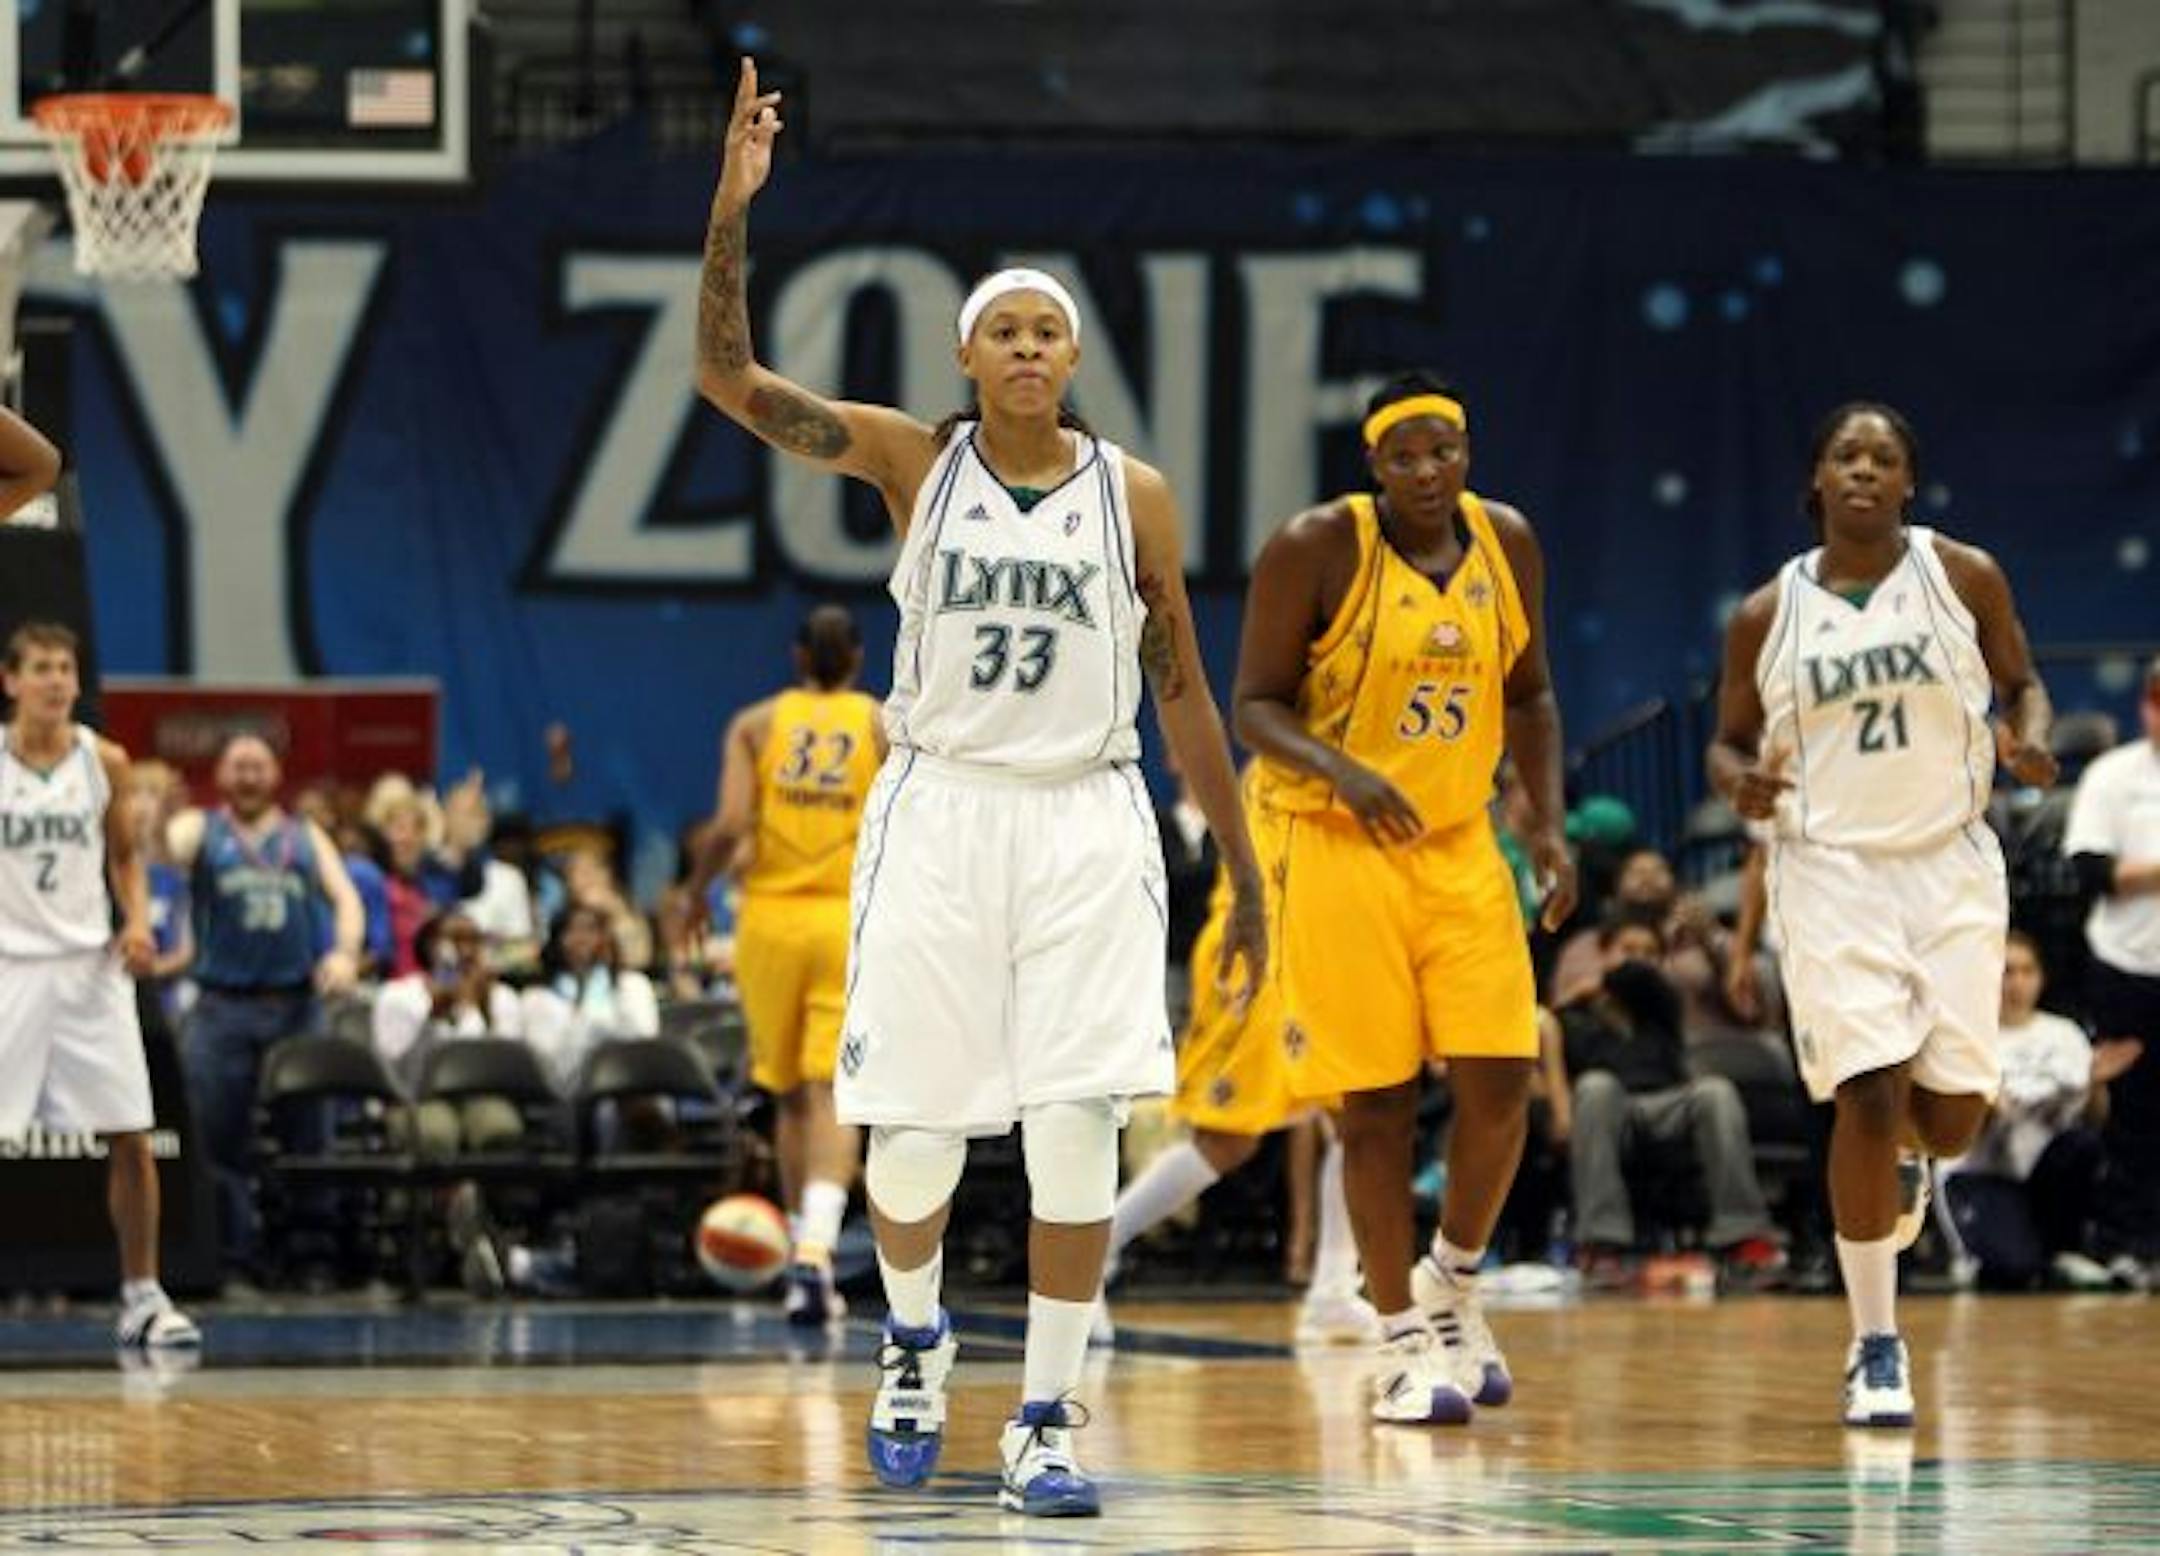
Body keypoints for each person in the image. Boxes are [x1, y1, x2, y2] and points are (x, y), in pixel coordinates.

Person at [694, 60, 1264, 1517]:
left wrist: (1251, 874)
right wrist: (731, 210)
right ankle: (911, 1342)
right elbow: (729, 383)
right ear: (967, 357)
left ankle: (1050, 1418)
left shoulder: (1131, 494)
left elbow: (1183, 686)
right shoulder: (912, 462)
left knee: (1078, 1126)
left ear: (1070, 359)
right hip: (939, 809)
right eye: (1002, 330)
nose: (1026, 347)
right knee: (924, 1131)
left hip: (1088, 811)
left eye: (1047, 331)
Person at [1234, 371, 1577, 1427]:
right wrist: (1344, 770)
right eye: (1405, 456)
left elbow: (1531, 695)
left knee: (1502, 1076)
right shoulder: (1316, 546)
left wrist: (1548, 825)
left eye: (1445, 451)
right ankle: (1394, 1338)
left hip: (1461, 839)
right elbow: (1253, 702)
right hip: (1334, 842)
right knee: (1374, 1103)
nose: (1428, 472)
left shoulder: (1506, 540)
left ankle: (1453, 1282)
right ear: (1373, 466)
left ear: (1466, 453)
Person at [1709, 401, 2055, 1428]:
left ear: (1910, 481)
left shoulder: (1963, 575)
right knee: (1865, 1093)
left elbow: (2023, 684)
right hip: (1831, 870)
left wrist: (2027, 738)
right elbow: (1728, 741)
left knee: (1951, 1115)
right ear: (1816, 479)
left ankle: (1907, 1161)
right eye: (1845, 455)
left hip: (1949, 864)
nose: (1864, 470)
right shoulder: (1769, 611)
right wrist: (1739, 786)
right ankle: (1875, 1343)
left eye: (1885, 457)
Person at [1094, 767, 1374, 1348]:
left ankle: (1333, 1290)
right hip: (1256, 950)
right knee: (1227, 1141)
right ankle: (1091, 1253)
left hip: (1310, 950)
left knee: (1358, 1119)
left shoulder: (1323, 755)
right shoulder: (1288, 764)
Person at [0, 620, 200, 1349]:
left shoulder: (105, 760)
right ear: (10, 680)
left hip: (88, 968)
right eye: (42, 668)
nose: (56, 681)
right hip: (9, 968)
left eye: (66, 669)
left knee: (132, 1134)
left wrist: (139, 922)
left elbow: (125, 860)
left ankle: (143, 1296)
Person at [686, 603, 885, 1326]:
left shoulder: (756, 724)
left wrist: (692, 892)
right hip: (845, 918)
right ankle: (814, 1255)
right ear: (857, 659)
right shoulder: (882, 723)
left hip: (768, 921)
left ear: (799, 657)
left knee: (790, 1094)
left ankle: (808, 1256)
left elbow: (732, 826)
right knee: (832, 1087)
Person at [169, 733, 365, 1275]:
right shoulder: (203, 830)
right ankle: (228, 1254)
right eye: (238, 766)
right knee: (216, 1139)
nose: (249, 775)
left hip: (296, 1005)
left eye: (258, 765)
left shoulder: (306, 836)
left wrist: (345, 953)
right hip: (221, 1008)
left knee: (311, 1134)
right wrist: (169, 829)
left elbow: (346, 898)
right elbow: (173, 842)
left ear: (277, 774)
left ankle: (312, 1256)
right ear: (221, 775)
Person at [1547, 915, 1786, 1286]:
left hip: (1669, 1105)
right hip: (1611, 1111)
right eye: (1628, 950)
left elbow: (1642, 981)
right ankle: (1601, 1243)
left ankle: (1744, 1235)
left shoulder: (1660, 1005)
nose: (1639, 958)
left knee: (1715, 1092)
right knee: (1596, 1087)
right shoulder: (1575, 1015)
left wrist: (1604, 980)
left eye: (1649, 952)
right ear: (1605, 954)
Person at [1939, 931, 2119, 1288]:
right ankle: (1985, 1253)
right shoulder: (1965, 1039)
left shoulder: (2064, 1034)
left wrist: (2096, 1084)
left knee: (2081, 1146)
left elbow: (2095, 1121)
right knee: (2012, 1272)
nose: (2016, 983)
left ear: (2040, 977)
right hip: (1982, 1171)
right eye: (2006, 972)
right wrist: (1985, 1106)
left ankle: (2062, 1248)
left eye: (2026, 971)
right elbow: (1950, 1135)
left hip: (2042, 1172)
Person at [2062, 655, 2160, 1276]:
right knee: (2134, 1113)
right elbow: (2091, 871)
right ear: (2146, 707)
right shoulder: (2111, 776)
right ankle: (2132, 1244)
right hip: (2127, 968)